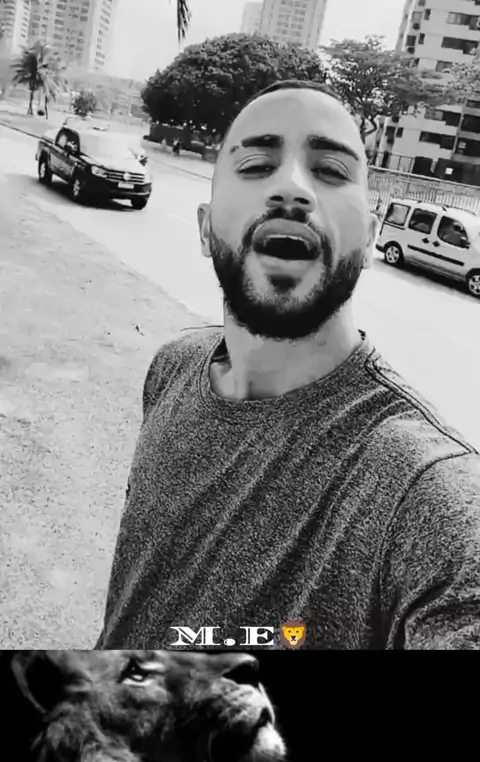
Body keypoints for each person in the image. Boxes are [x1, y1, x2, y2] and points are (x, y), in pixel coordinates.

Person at [96, 80, 480, 651]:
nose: (293, 188)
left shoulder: (428, 491)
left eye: (330, 170)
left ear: (369, 239)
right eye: (256, 165)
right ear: (205, 228)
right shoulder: (171, 369)